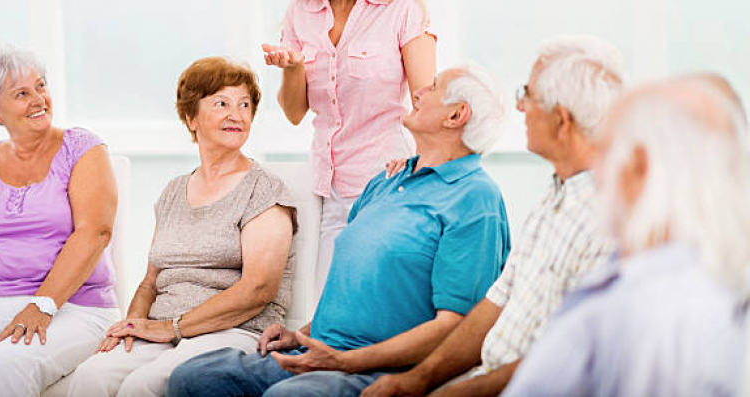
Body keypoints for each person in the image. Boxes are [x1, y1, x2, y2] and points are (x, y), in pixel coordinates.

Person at [167, 65, 511, 397]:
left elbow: (456, 327)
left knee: (291, 396)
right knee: (195, 378)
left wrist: (347, 361)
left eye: (433, 87)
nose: (419, 90)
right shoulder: (386, 181)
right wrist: (302, 335)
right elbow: (357, 291)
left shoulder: (475, 198)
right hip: (322, 354)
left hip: (379, 368)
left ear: (456, 116)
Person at [363, 36, 624, 397]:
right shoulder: (554, 197)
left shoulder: (607, 222)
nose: (519, 107)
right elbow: (495, 302)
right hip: (485, 377)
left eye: (528, 95)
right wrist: (419, 380)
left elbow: (562, 358)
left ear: (561, 121)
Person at [503, 75, 750, 396]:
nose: (597, 170)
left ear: (639, 165)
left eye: (604, 150)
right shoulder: (690, 280)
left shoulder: (658, 315)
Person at [67, 57, 298, 396]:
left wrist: (172, 328)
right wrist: (132, 325)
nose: (236, 114)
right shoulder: (174, 191)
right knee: (91, 377)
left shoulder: (264, 189)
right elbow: (150, 281)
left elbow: (258, 289)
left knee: (141, 386)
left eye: (244, 104)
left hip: (233, 330)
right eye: (221, 103)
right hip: (165, 329)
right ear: (191, 118)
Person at [261, 0, 437, 291]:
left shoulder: (403, 11)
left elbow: (428, 102)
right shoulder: (301, 12)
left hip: (390, 184)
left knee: (382, 306)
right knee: (330, 308)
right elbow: (293, 112)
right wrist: (293, 68)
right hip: (333, 188)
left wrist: (424, 175)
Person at [0, 44, 120, 397]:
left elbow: (95, 232)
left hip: (74, 306)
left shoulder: (82, 148)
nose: (38, 99)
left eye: (41, 86)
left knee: (6, 365)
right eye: (22, 94)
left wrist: (42, 304)